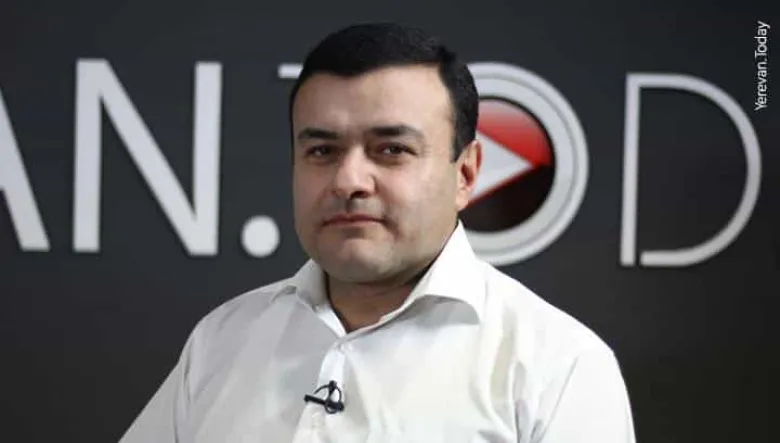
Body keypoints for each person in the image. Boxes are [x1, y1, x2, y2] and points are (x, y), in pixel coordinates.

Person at [118, 22, 636, 443]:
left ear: (465, 173)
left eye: (391, 150)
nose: (348, 180)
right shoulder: (223, 340)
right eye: (322, 151)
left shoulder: (557, 365)